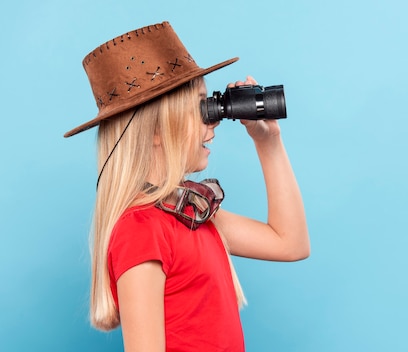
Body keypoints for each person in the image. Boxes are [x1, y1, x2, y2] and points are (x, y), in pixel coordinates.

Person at [64, 21, 310, 352]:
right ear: (155, 131)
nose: (214, 119)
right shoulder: (141, 230)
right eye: (199, 107)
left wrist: (268, 142)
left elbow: (291, 244)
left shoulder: (190, 212)